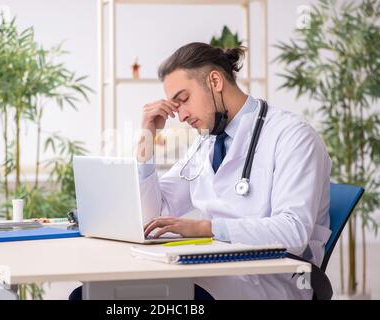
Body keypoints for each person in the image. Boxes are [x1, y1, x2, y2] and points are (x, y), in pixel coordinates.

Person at [136, 42, 332, 300]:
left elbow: (293, 232)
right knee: (89, 293)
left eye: (184, 100)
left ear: (215, 81)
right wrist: (146, 138)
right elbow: (155, 214)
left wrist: (207, 228)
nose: (180, 116)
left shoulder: (292, 136)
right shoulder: (205, 141)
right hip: (216, 268)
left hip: (271, 278)